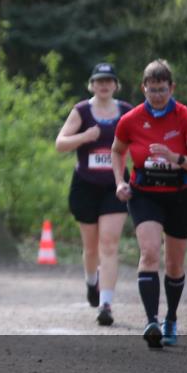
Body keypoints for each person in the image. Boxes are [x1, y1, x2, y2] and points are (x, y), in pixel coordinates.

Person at [111, 59, 187, 348]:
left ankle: (171, 318)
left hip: (181, 195)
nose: (156, 95)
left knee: (175, 264)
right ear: (143, 87)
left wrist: (174, 157)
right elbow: (117, 151)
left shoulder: (186, 117)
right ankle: (151, 320)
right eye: (151, 89)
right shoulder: (131, 119)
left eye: (162, 90)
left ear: (172, 88)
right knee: (150, 252)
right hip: (145, 194)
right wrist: (120, 181)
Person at [55, 63, 132, 326]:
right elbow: (60, 143)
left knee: (109, 245)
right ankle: (92, 282)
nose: (104, 85)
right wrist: (86, 136)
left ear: (115, 84)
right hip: (85, 186)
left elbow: (139, 143)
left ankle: (106, 304)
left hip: (116, 185)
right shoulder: (82, 111)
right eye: (99, 80)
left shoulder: (126, 111)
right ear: (92, 84)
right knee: (90, 248)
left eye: (109, 80)